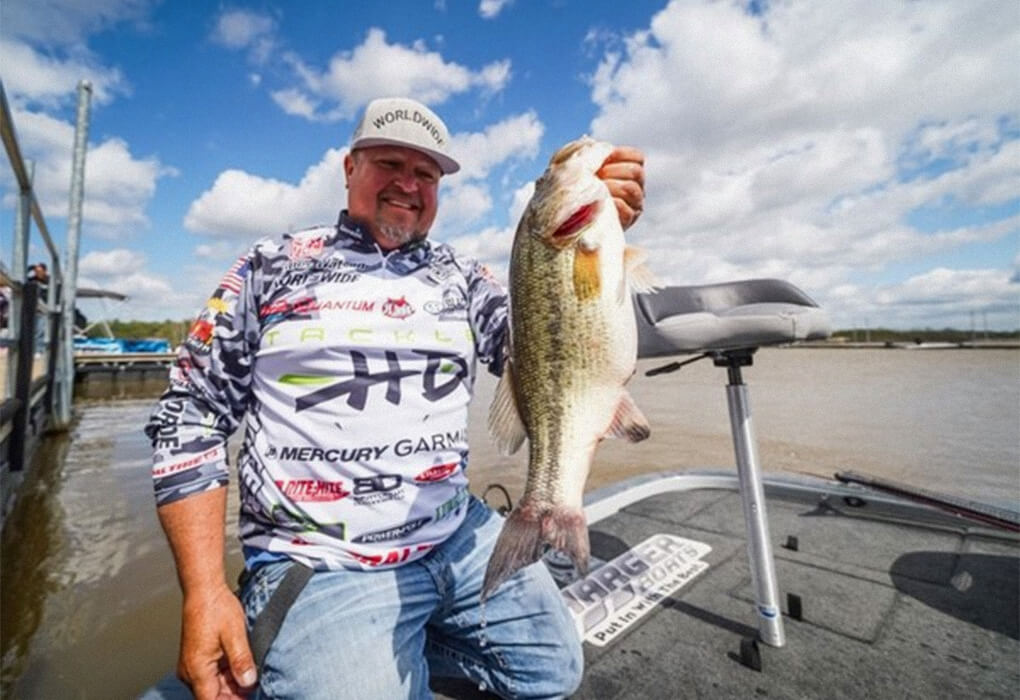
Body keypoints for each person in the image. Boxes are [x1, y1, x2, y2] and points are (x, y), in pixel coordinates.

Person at [144, 96, 645, 700]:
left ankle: (403, 641)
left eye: (427, 174)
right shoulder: (268, 267)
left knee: (553, 671)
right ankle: (343, 640)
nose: (409, 184)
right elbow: (188, 415)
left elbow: (551, 349)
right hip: (325, 561)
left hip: (455, 531)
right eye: (389, 163)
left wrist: (604, 243)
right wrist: (204, 590)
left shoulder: (464, 278)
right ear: (349, 167)